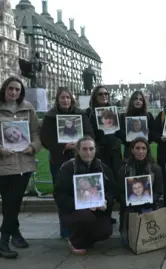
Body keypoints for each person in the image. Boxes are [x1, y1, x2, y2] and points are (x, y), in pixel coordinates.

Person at [0, 76, 41, 259]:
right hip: (3, 163)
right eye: (10, 89)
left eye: (17, 89)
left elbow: (36, 132)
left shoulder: (28, 108)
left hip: (24, 162)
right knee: (10, 202)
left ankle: (10, 237)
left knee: (13, 202)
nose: (14, 92)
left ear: (21, 91)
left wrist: (33, 147)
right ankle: (5, 241)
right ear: (4, 90)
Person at [40, 87, 94, 238]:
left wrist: (81, 145)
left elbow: (89, 133)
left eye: (68, 98)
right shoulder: (50, 117)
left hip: (80, 158)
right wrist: (63, 146)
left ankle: (83, 226)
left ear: (72, 99)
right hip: (59, 159)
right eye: (62, 98)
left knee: (83, 191)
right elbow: (45, 138)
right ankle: (65, 229)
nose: (65, 100)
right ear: (57, 100)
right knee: (62, 194)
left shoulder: (80, 114)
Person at [53, 136, 116, 255]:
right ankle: (75, 241)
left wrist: (106, 200)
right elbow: (60, 195)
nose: (88, 152)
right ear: (78, 150)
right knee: (86, 217)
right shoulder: (68, 168)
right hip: (73, 211)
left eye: (91, 149)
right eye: (85, 149)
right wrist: (80, 204)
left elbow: (111, 190)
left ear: (95, 150)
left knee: (105, 231)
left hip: (97, 210)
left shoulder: (102, 167)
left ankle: (86, 240)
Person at [85, 86, 123, 224]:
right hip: (99, 154)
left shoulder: (113, 112)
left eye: (106, 93)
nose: (104, 95)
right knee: (100, 185)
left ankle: (108, 213)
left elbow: (121, 133)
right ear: (95, 95)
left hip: (114, 153)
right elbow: (88, 133)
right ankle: (101, 216)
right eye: (100, 93)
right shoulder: (89, 113)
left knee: (113, 184)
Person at [117, 137, 163, 246]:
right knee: (128, 242)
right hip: (130, 206)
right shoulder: (124, 169)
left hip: (149, 204)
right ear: (132, 150)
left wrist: (151, 199)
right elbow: (119, 191)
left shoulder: (155, 168)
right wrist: (127, 201)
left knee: (149, 238)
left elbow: (158, 190)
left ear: (147, 150)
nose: (140, 151)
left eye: (143, 148)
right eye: (137, 148)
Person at [119, 91, 155, 158]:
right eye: (136, 99)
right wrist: (128, 138)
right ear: (132, 101)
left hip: (145, 149)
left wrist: (148, 134)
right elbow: (120, 134)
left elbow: (154, 133)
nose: (138, 101)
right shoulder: (123, 116)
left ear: (143, 102)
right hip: (129, 150)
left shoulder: (149, 116)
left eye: (140, 99)